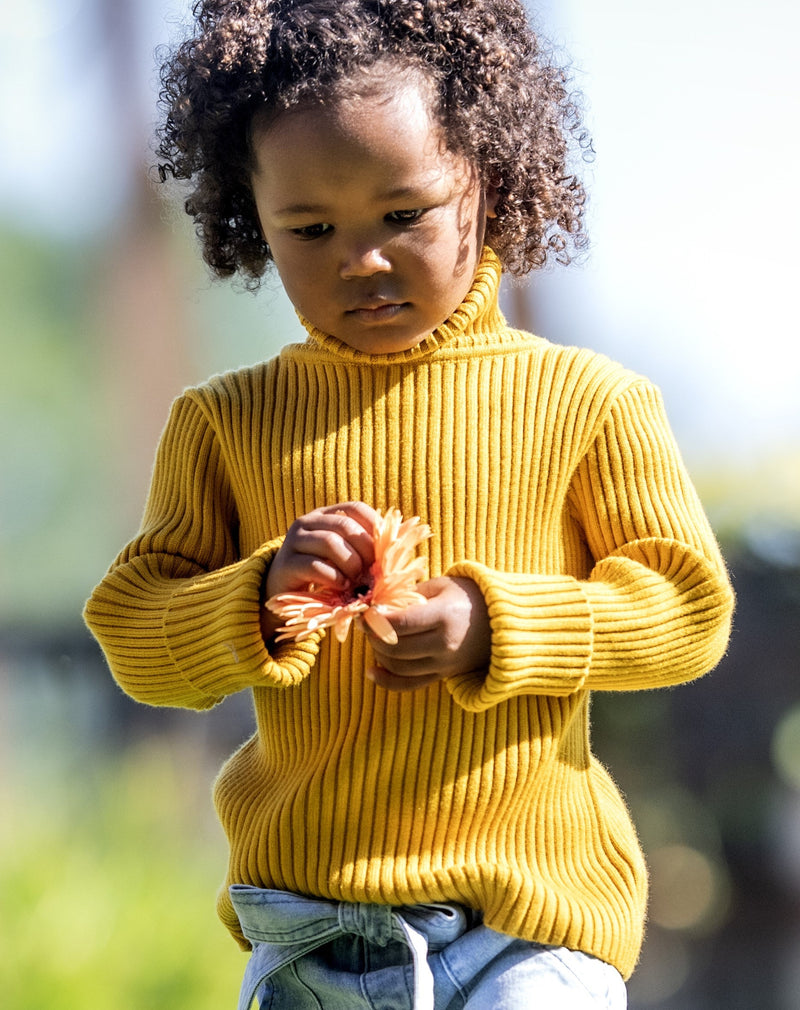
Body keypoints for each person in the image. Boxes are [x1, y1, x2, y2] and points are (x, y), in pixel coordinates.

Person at [84, 1, 735, 1007]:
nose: (362, 259)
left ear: (487, 178)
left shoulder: (587, 401)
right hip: (311, 934)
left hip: (529, 925)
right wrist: (259, 599)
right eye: (310, 228)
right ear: (248, 217)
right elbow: (135, 633)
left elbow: (686, 609)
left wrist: (496, 623)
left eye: (403, 214)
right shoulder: (225, 422)